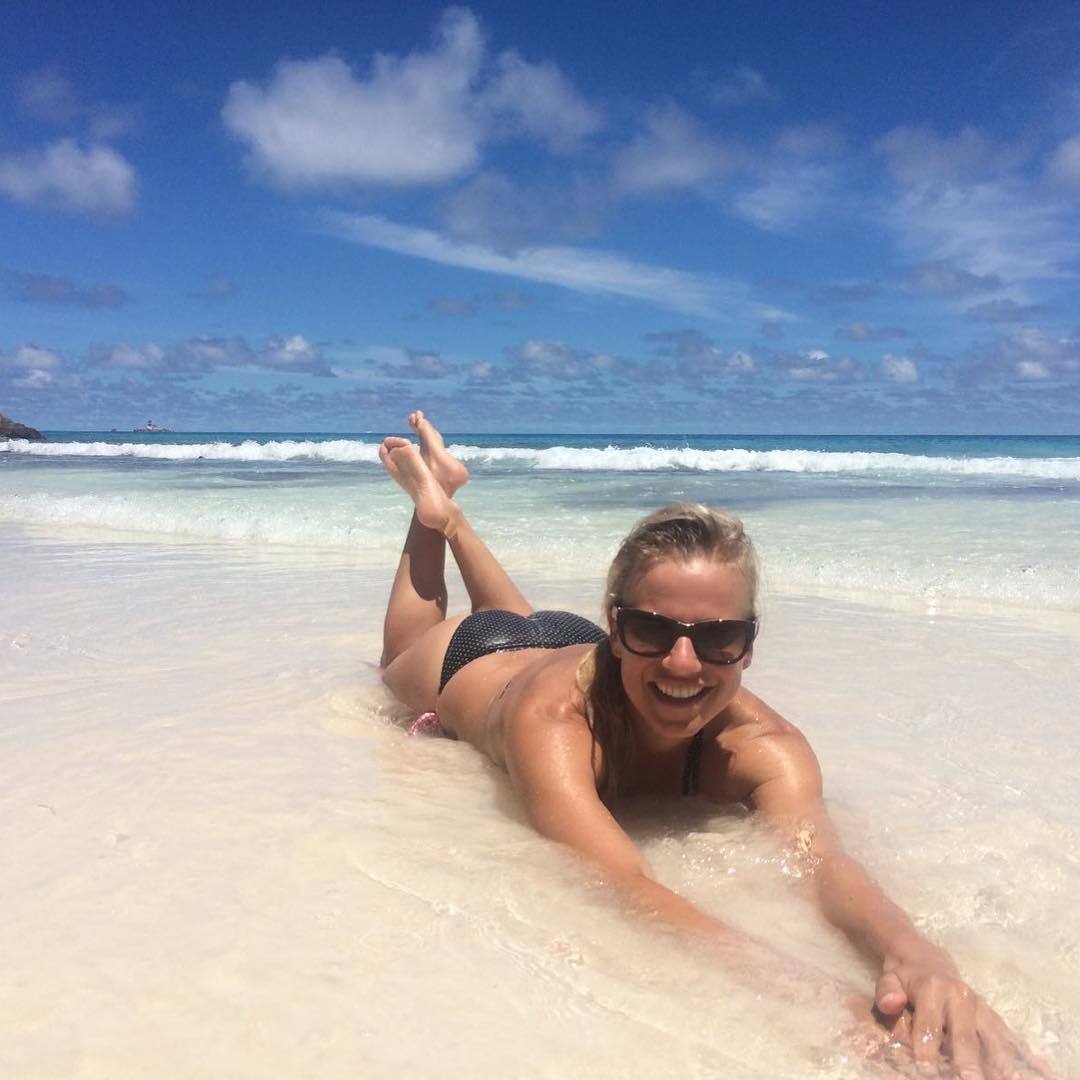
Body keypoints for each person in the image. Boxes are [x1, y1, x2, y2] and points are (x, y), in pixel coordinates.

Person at [378, 411, 1048, 1079]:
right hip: (475, 659)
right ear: (618, 628)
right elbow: (620, 882)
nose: (683, 662)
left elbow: (819, 862)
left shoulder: (766, 745)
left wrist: (917, 956)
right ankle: (433, 513)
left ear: (748, 645)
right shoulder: (553, 720)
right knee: (401, 651)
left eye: (718, 638)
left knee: (531, 620)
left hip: (573, 642)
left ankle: (450, 508)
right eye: (651, 629)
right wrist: (828, 1005)